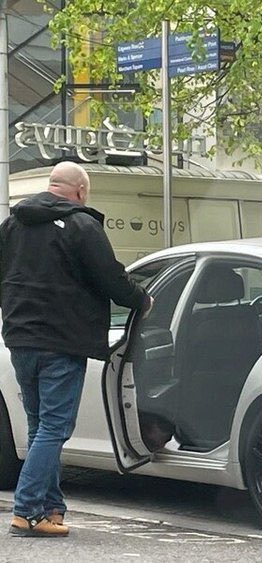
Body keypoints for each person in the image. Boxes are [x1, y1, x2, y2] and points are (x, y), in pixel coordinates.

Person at [0, 161, 151, 537]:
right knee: (54, 427)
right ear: (81, 192)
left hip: (19, 338)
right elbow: (111, 278)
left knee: (40, 426)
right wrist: (141, 300)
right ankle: (26, 509)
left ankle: (52, 510)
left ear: (51, 186)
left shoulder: (12, 225)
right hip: (62, 342)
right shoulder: (82, 226)